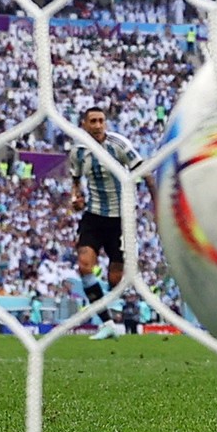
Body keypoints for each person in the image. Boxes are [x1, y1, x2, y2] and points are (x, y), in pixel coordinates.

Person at [68, 106, 144, 341]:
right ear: (84, 124)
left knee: (115, 278)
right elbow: (75, 179)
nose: (98, 125)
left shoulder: (119, 145)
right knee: (84, 266)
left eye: (101, 120)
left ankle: (112, 308)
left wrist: (145, 198)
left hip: (121, 219)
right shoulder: (79, 151)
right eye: (93, 121)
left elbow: (142, 170)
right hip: (94, 216)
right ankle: (108, 323)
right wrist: (76, 198)